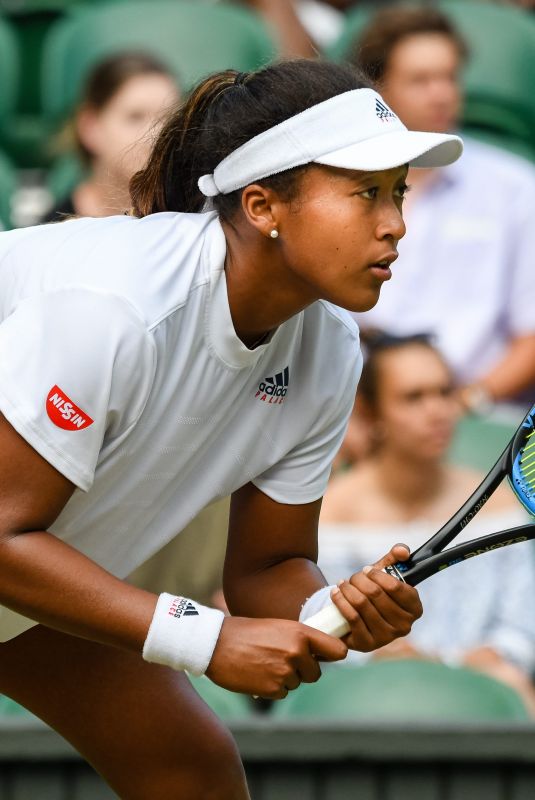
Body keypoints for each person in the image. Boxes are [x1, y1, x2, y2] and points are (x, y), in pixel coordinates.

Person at [0, 59, 462, 798]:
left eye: (398, 192)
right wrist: (204, 638)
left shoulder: (327, 350)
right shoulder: (114, 307)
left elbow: (264, 569)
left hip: (26, 582)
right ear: (261, 206)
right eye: (364, 193)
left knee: (192, 775)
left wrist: (336, 611)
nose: (395, 224)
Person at [320, 332, 535, 713]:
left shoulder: (502, 508)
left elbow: (522, 625)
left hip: (486, 696)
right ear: (371, 413)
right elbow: (320, 628)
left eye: (444, 392)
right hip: (366, 703)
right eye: (413, 398)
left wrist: (493, 657)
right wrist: (378, 658)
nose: (437, 410)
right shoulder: (329, 513)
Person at [349, 5, 535, 412]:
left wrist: (464, 403)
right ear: (377, 92)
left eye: (449, 77)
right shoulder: (340, 183)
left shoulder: (515, 187)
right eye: (421, 80)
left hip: (474, 413)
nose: (442, 93)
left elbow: (532, 336)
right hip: (355, 414)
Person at [42, 52, 180, 221]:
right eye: (135, 117)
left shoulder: (198, 222)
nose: (157, 133)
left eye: (169, 117)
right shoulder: (50, 234)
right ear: (90, 128)